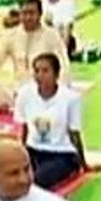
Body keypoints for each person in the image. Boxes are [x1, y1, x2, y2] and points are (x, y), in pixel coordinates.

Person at [0, 0, 69, 111]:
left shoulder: (51, 35)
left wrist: (60, 97)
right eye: (24, 13)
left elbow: (64, 66)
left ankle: (21, 108)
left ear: (40, 14)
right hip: (17, 93)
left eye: (31, 13)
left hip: (43, 92)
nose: (27, 17)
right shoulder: (11, 35)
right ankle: (16, 106)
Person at [14, 53, 89, 189]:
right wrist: (21, 155)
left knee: (36, 181)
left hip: (61, 154)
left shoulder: (71, 98)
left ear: (56, 74)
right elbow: (24, 128)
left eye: (45, 71)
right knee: (9, 174)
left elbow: (74, 134)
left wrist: (83, 164)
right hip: (34, 151)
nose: (40, 75)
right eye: (37, 71)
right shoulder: (24, 94)